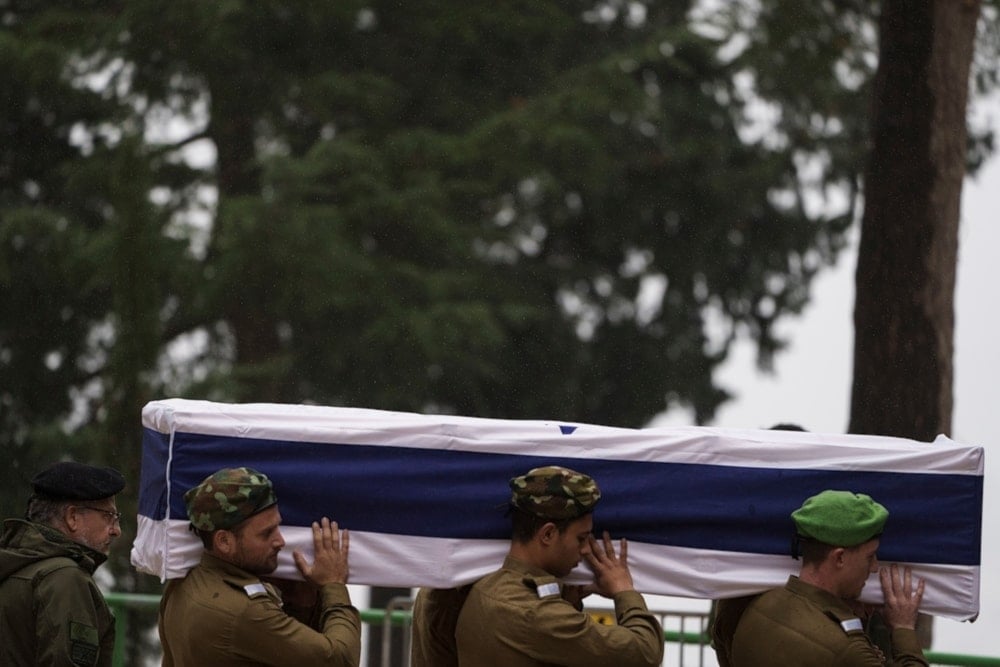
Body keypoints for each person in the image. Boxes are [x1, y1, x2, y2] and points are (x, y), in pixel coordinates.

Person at [453, 465, 664, 667]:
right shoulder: (535, 613)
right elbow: (645, 652)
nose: (585, 550)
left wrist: (568, 603)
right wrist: (624, 590)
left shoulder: (480, 586)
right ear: (548, 534)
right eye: (581, 539)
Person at [157, 467, 361, 666]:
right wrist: (333, 584)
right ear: (224, 541)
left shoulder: (181, 584)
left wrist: (301, 603)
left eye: (278, 527)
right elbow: (340, 659)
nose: (280, 541)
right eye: (266, 533)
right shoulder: (244, 611)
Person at [728, 489, 928, 666]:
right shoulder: (847, 649)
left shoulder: (757, 606)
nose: (875, 567)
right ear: (839, 558)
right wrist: (903, 628)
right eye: (869, 556)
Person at [0, 460, 126, 666]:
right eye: (109, 516)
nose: (116, 530)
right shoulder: (65, 578)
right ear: (72, 517)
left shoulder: (16, 565)